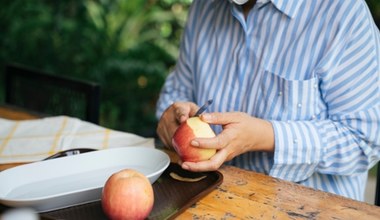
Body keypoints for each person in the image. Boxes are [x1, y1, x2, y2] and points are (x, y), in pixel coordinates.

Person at [155, 0, 380, 201]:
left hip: (307, 208)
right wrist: (172, 117)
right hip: (211, 200)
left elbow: (366, 139)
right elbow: (176, 94)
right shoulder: (204, 7)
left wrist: (267, 136)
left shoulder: (341, 13)